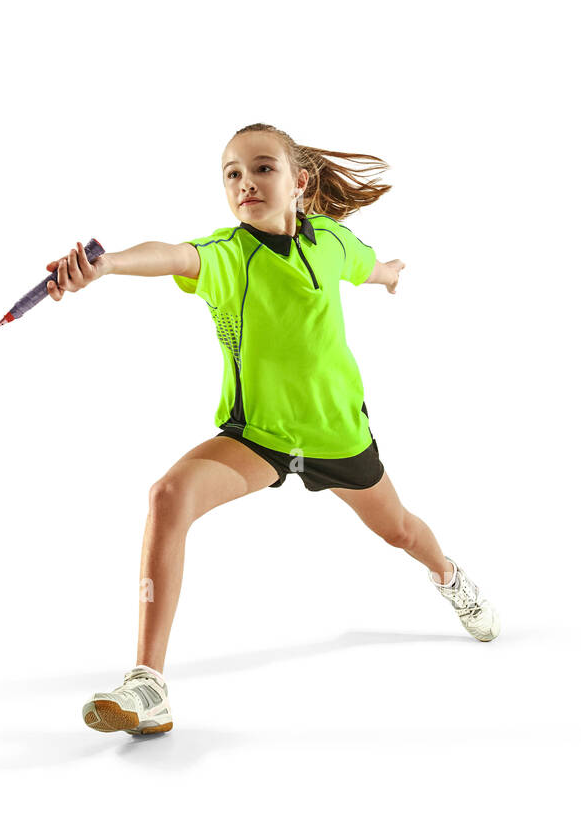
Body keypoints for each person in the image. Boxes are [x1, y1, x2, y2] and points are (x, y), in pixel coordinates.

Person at [46, 123, 500, 738]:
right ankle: (148, 685)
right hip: (259, 436)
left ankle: (448, 576)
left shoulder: (333, 243)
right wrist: (106, 267)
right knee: (168, 496)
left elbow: (367, 267)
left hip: (337, 434)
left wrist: (392, 273)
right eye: (232, 173)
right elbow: (176, 255)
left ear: (298, 183)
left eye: (262, 168)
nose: (245, 183)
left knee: (400, 530)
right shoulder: (230, 257)